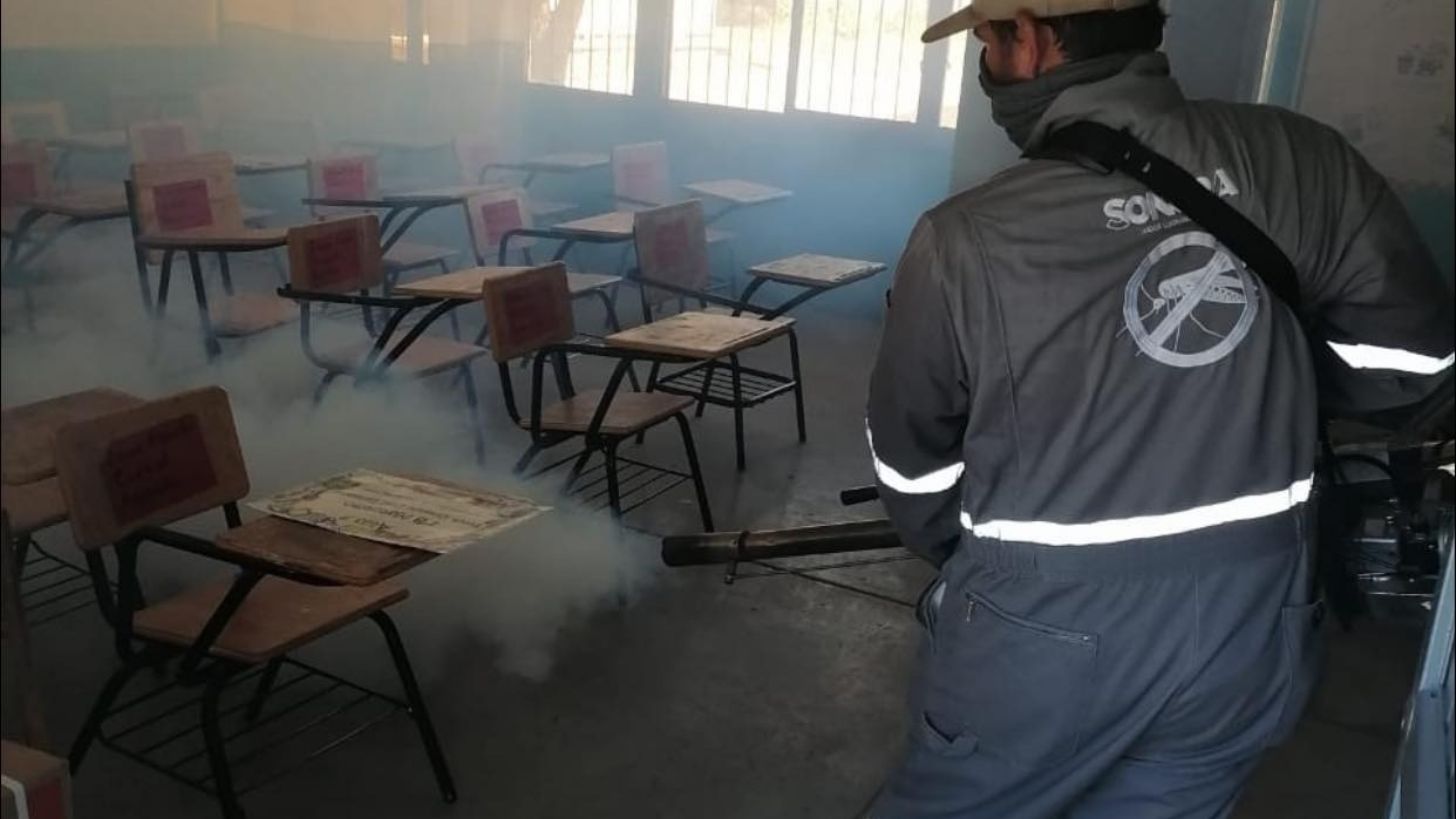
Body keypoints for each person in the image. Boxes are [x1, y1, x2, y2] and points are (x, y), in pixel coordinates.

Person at [864, 0, 1455, 816]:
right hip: (1253, 623)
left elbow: (912, 471)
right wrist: (1261, 387)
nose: (988, 67)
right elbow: (1418, 366)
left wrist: (977, 560)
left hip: (1042, 636)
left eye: (988, 44)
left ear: (1028, 39)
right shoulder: (1305, 161)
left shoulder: (963, 237)